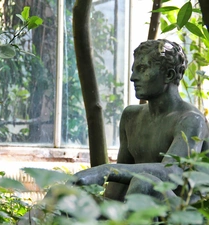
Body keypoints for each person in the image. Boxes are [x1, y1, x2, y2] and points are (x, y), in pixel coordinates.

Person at [75, 39, 209, 201]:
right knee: (66, 195)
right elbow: (117, 188)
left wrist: (105, 170)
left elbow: (172, 172)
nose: (133, 78)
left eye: (142, 69)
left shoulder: (191, 120)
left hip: (181, 211)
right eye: (133, 70)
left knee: (144, 183)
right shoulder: (131, 116)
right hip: (136, 205)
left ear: (169, 75)